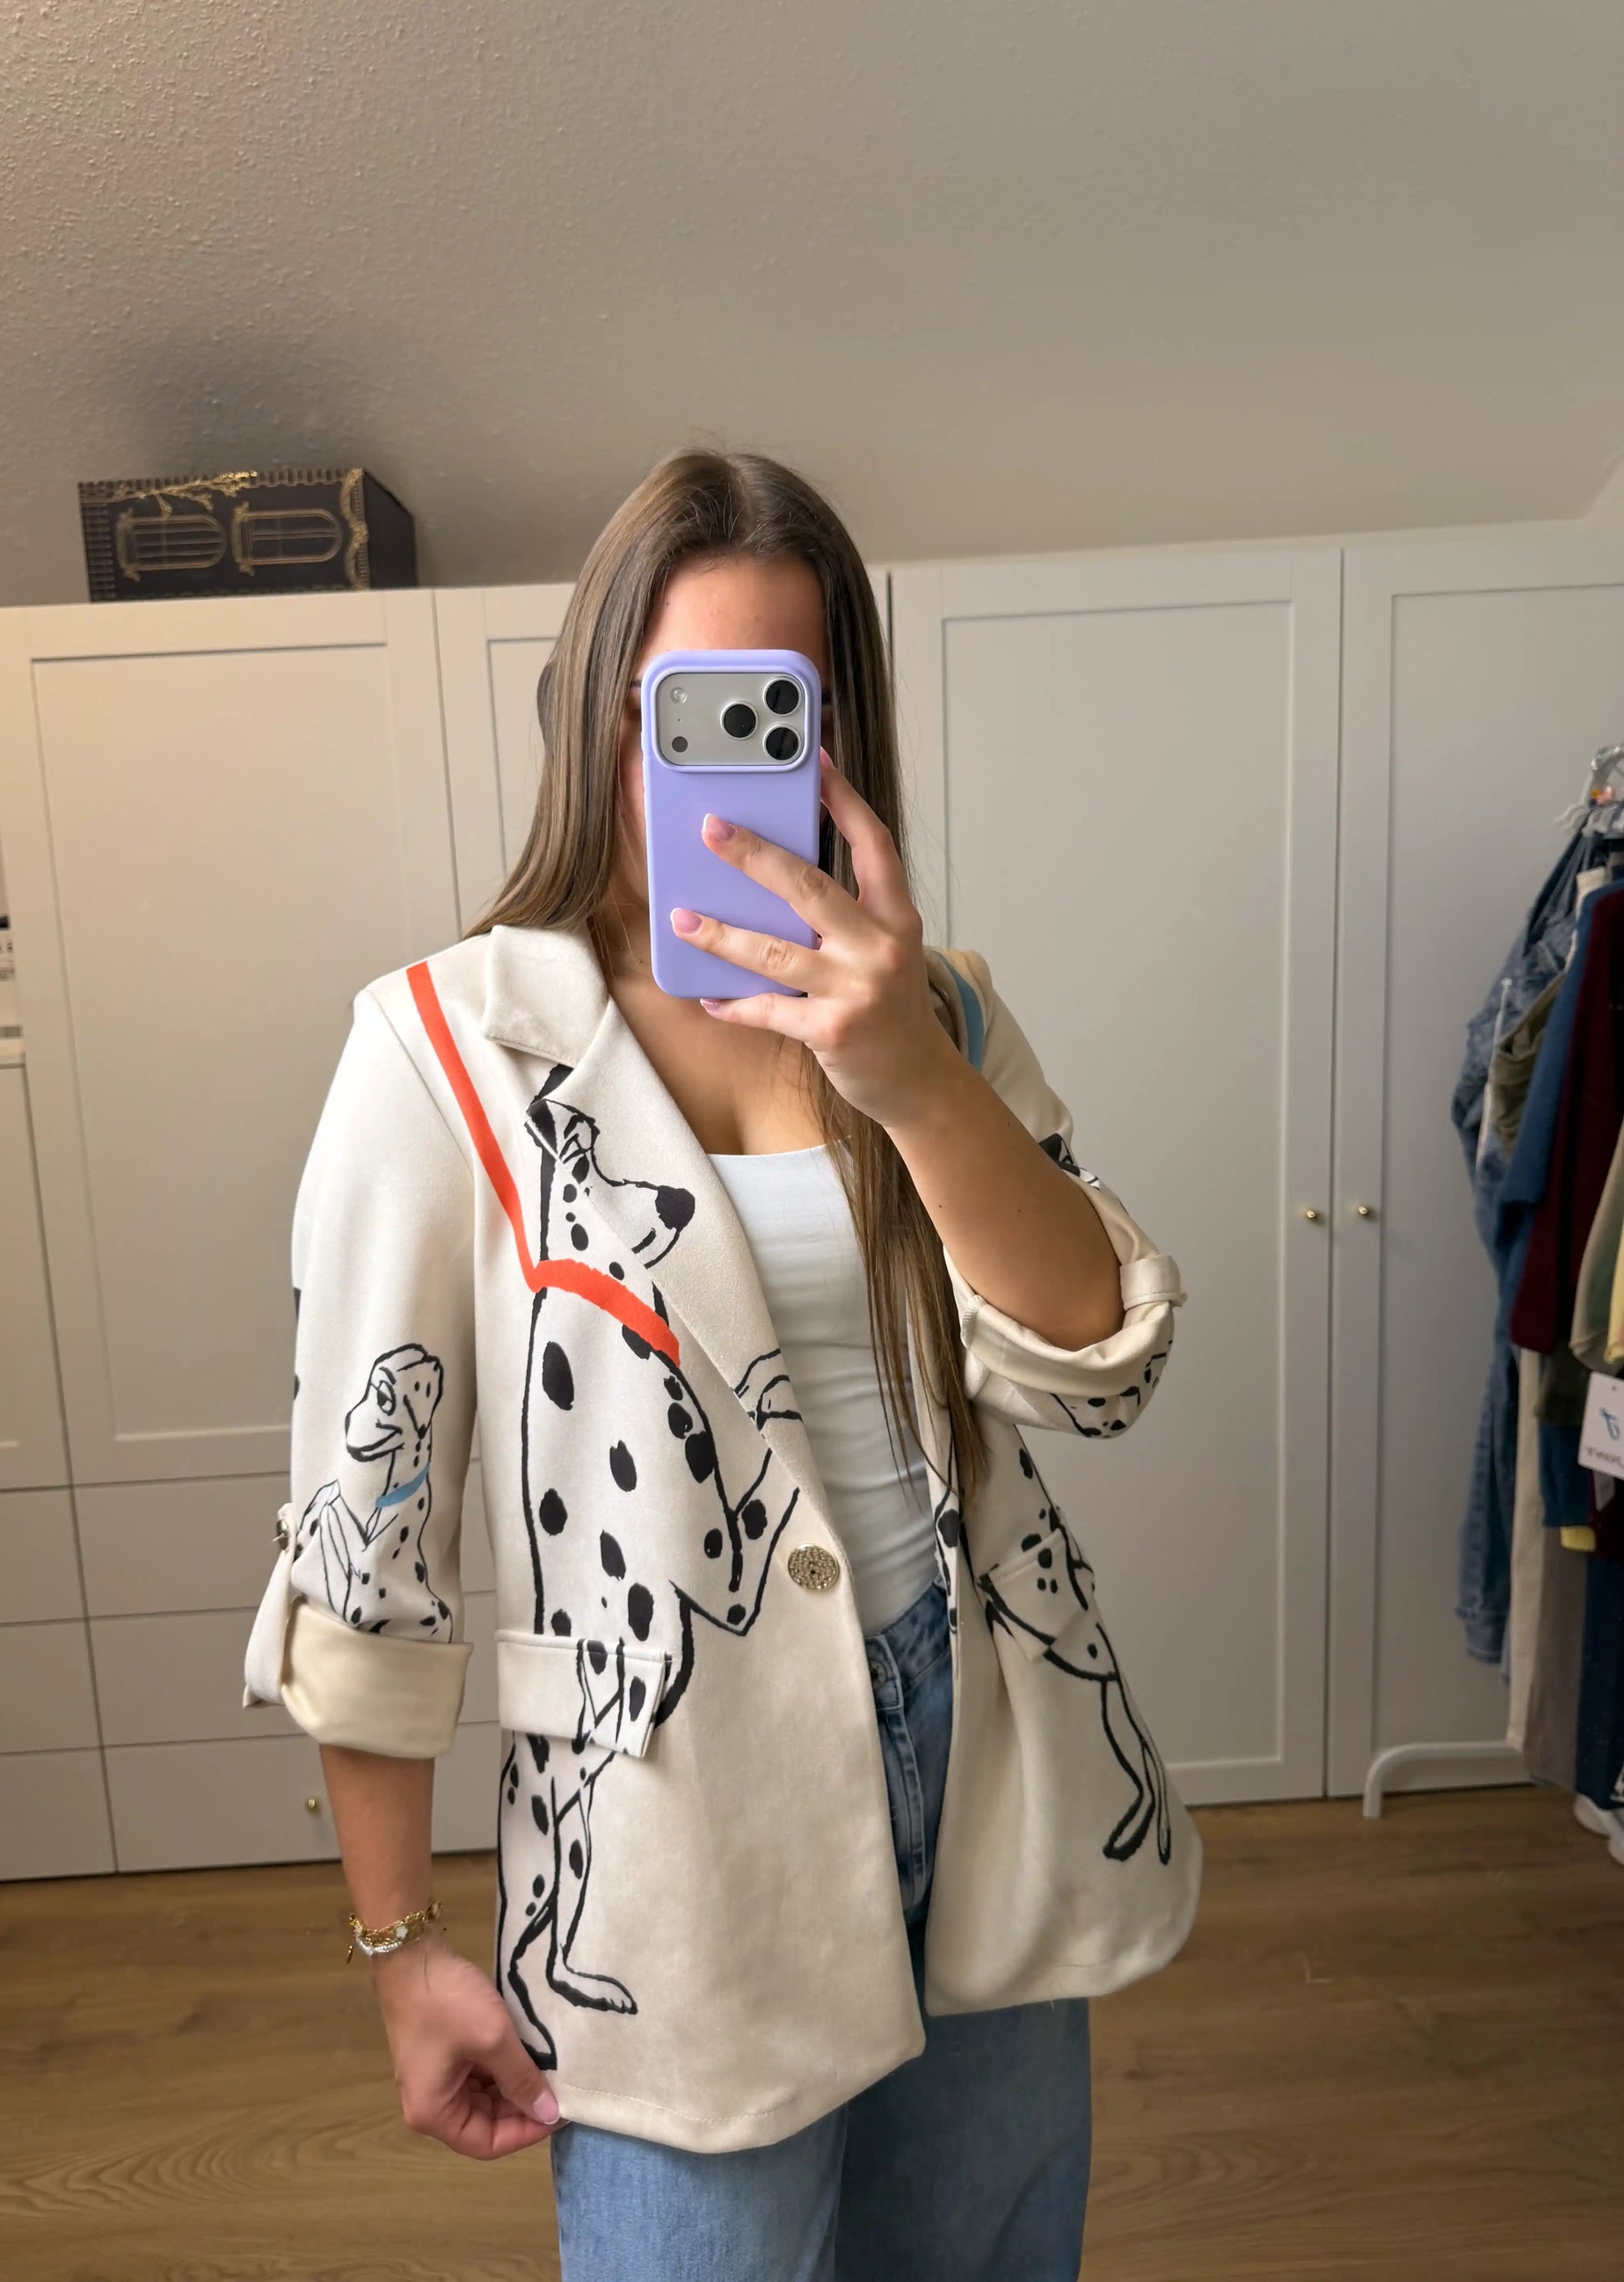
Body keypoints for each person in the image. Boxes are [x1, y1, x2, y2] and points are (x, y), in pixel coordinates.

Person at [242, 448, 1199, 2281]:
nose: (701, 760)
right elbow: (369, 1530)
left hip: (984, 1753)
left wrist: (909, 1076)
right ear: (596, 711)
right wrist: (395, 1942)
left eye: (771, 706)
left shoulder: (938, 1008)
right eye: (670, 706)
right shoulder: (446, 1044)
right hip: (665, 1820)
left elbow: (1099, 1369)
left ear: (835, 739)